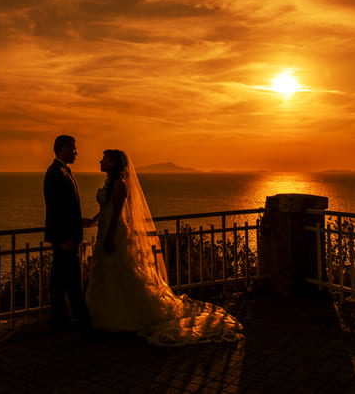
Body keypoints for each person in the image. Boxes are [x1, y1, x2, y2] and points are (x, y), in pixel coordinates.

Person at [85, 149, 243, 346]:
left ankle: (126, 316)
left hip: (114, 232)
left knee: (120, 270)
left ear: (113, 163)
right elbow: (106, 208)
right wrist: (92, 222)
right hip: (104, 230)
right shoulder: (109, 183)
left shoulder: (119, 184)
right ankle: (109, 313)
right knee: (109, 272)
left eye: (105, 159)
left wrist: (109, 237)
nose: (101, 161)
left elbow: (118, 213)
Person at [43, 135, 92, 332]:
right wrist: (64, 238)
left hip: (67, 236)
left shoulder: (62, 171)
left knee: (64, 280)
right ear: (63, 148)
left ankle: (64, 319)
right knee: (68, 281)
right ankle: (79, 321)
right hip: (65, 239)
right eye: (73, 148)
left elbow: (67, 207)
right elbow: (57, 208)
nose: (76, 152)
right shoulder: (56, 173)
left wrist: (78, 222)